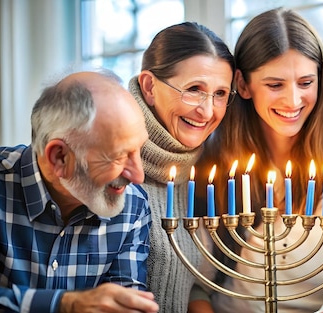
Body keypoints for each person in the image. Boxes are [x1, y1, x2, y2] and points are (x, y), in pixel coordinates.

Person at [200, 7, 323, 313]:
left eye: (305, 83)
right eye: (275, 85)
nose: (293, 100)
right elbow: (200, 276)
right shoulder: (217, 154)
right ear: (243, 84)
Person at [0, 70, 159, 313]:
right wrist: (65, 304)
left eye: (138, 149)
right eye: (119, 155)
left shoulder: (133, 205)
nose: (138, 176)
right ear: (59, 157)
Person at [129, 22, 235, 313]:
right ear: (149, 87)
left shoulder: (203, 164)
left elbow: (190, 279)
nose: (208, 110)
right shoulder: (112, 162)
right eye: (194, 90)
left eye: (221, 93)